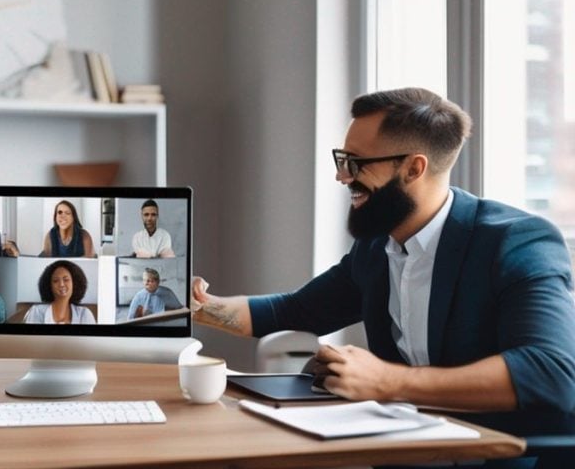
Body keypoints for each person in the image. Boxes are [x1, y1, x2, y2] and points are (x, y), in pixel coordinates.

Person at [192, 87, 575, 449]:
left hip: (509, 454)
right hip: (409, 448)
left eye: (355, 163)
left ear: (413, 168)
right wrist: (189, 307)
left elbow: (550, 374)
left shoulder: (517, 242)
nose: (342, 176)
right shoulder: (376, 248)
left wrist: (388, 381)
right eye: (341, 160)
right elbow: (290, 310)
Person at [23, 260, 97, 324]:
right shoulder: (37, 312)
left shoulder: (84, 314)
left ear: (75, 283)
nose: (61, 284)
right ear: (49, 286)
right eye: (55, 281)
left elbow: (92, 340)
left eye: (66, 280)